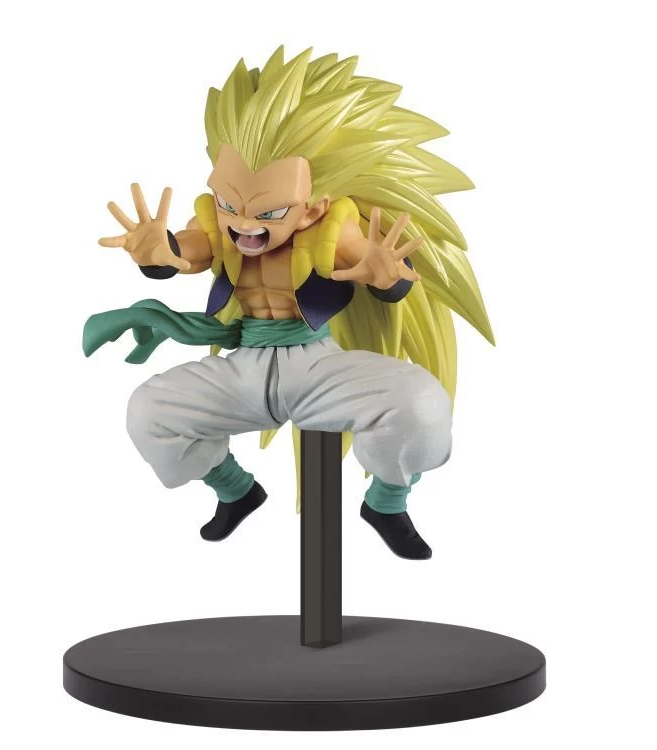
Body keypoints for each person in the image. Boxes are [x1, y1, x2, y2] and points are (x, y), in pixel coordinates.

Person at [85, 47, 494, 559]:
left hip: (317, 366)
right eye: (230, 203)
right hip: (246, 368)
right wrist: (159, 253)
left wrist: (387, 277)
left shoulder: (331, 230)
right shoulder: (218, 225)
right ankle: (235, 490)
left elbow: (380, 269)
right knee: (149, 410)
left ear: (312, 208)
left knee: (422, 403)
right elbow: (188, 250)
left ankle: (387, 502)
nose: (244, 223)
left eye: (269, 211)